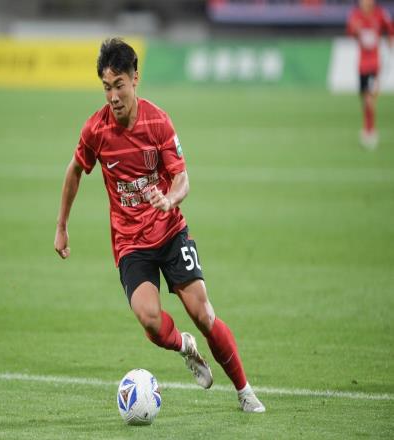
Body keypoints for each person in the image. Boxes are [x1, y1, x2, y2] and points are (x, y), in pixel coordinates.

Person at [54, 38, 265, 413]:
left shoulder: (158, 122)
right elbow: (74, 171)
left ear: (135, 79)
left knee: (203, 314)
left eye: (119, 85)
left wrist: (170, 199)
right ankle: (185, 347)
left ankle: (245, 391)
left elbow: (182, 178)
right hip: (130, 243)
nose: (113, 96)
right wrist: (62, 226)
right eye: (106, 87)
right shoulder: (95, 130)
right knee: (150, 320)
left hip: (169, 233)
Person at [346, 0, 394, 149]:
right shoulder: (356, 15)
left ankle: (370, 131)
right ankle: (368, 127)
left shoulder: (380, 14)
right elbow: (350, 33)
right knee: (364, 98)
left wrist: (390, 41)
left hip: (375, 63)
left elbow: (390, 28)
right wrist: (355, 30)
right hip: (362, 65)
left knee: (369, 98)